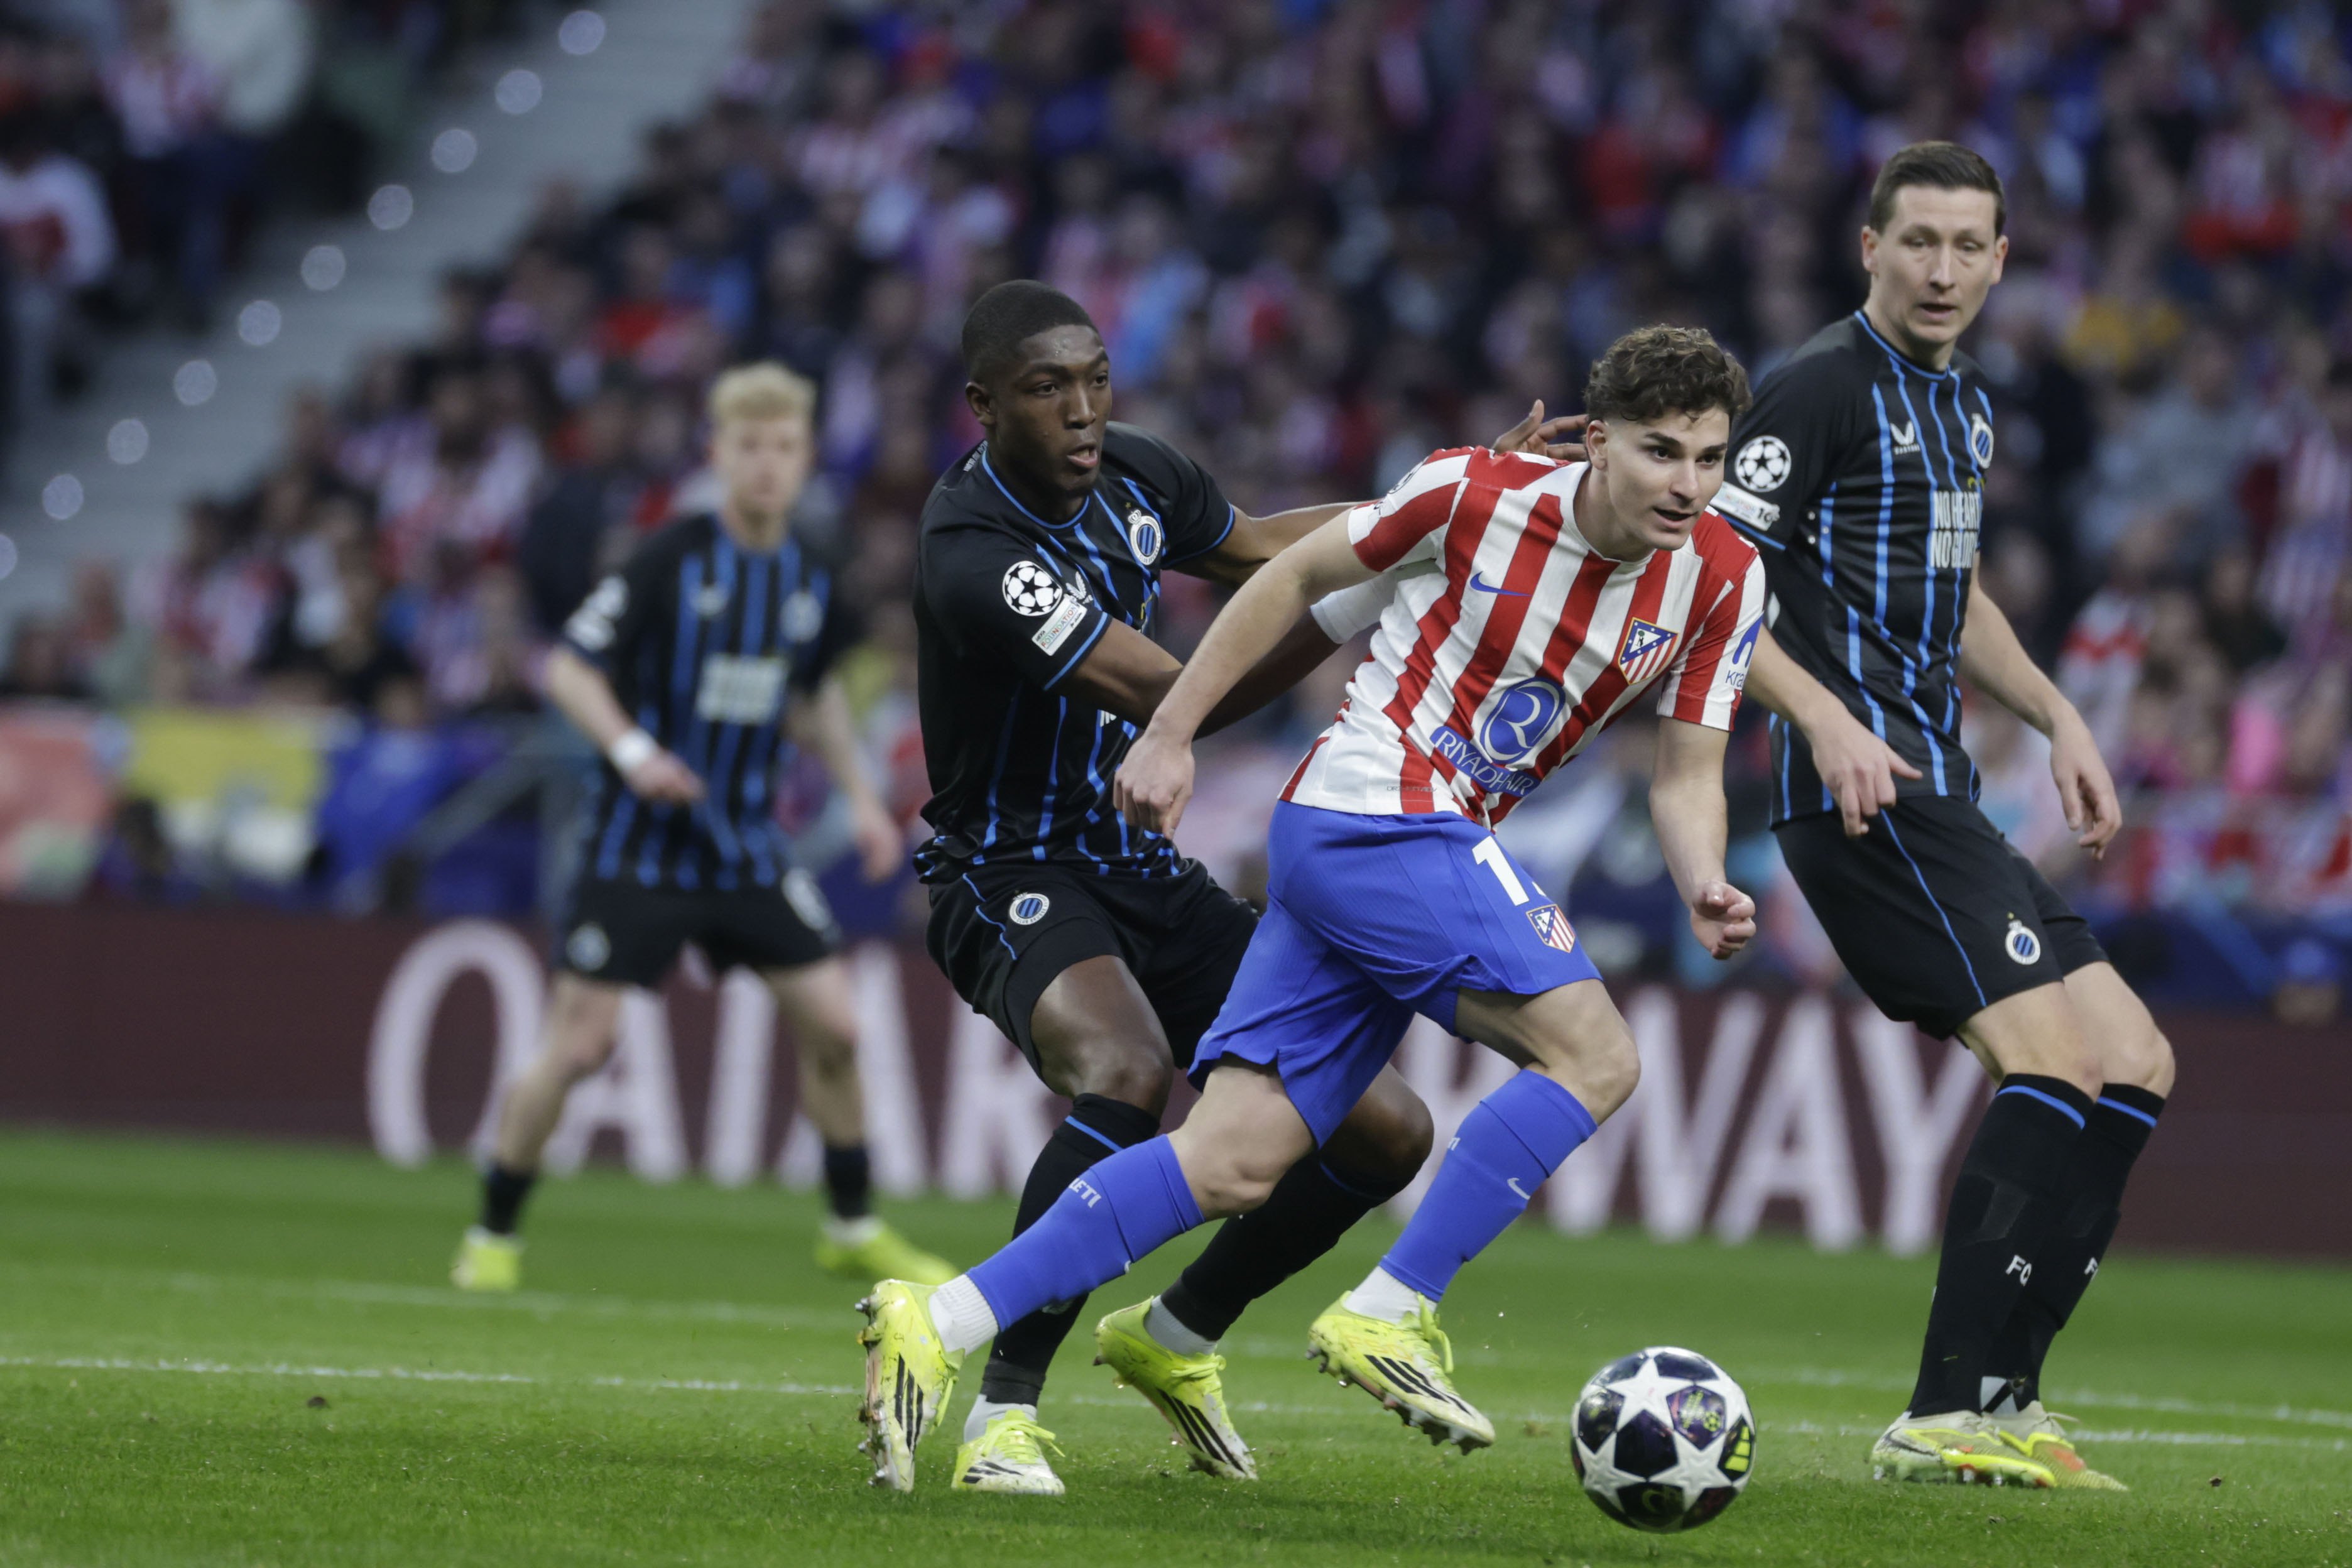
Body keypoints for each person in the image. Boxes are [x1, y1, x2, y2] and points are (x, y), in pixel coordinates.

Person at [863, 323, 1787, 1489]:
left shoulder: (1725, 576)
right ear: (1598, 441)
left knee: (1233, 1161)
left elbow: (1689, 772)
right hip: (1380, 809)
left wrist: (1703, 877)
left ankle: (944, 1320)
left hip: (1395, 837)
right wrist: (1173, 732)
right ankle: (1391, 1309)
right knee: (1595, 1056)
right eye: (1662, 452)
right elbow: (1293, 574)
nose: (1688, 484)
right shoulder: (1477, 494)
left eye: (1710, 459)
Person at [1720, 143, 2176, 1490]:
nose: (1941, 269)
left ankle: (2007, 1398)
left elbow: (1956, 595)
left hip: (1945, 786)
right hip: (1861, 794)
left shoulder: (1964, 403)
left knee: (2135, 1059)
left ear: (2000, 261)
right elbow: (1707, 584)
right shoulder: (1817, 386)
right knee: (2054, 1061)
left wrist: (2060, 715)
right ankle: (1940, 1413)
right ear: (1870, 247)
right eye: (1917, 241)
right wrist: (1822, 718)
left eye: (1967, 246)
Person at [450, 363, 951, 1296]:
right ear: (718, 455)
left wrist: (859, 799)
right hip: (637, 845)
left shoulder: (809, 576)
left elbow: (812, 697)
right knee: (580, 1046)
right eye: (749, 446)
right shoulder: (669, 557)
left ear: (805, 458)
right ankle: (493, 1233)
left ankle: (851, 1226)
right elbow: (570, 670)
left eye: (784, 447)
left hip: (744, 848)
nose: (766, 464)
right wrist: (635, 752)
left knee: (838, 1027)